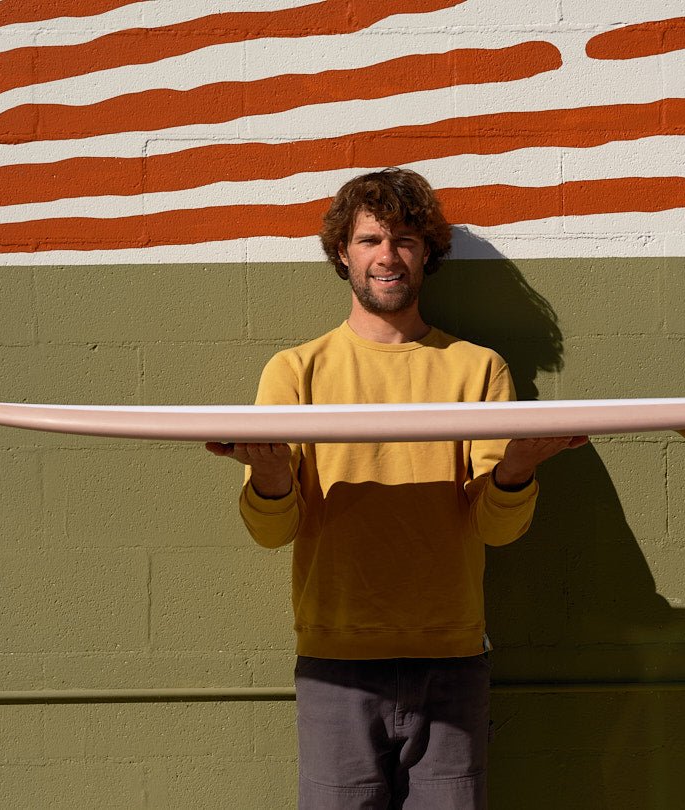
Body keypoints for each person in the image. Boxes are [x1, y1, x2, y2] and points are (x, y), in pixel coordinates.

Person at [207, 168, 584, 809]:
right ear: (343, 253)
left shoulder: (478, 369)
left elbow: (497, 528)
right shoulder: (295, 370)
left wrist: (517, 468)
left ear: (427, 253)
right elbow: (272, 532)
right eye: (370, 239)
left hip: (452, 661)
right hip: (335, 665)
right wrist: (270, 478)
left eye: (405, 240)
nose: (388, 255)